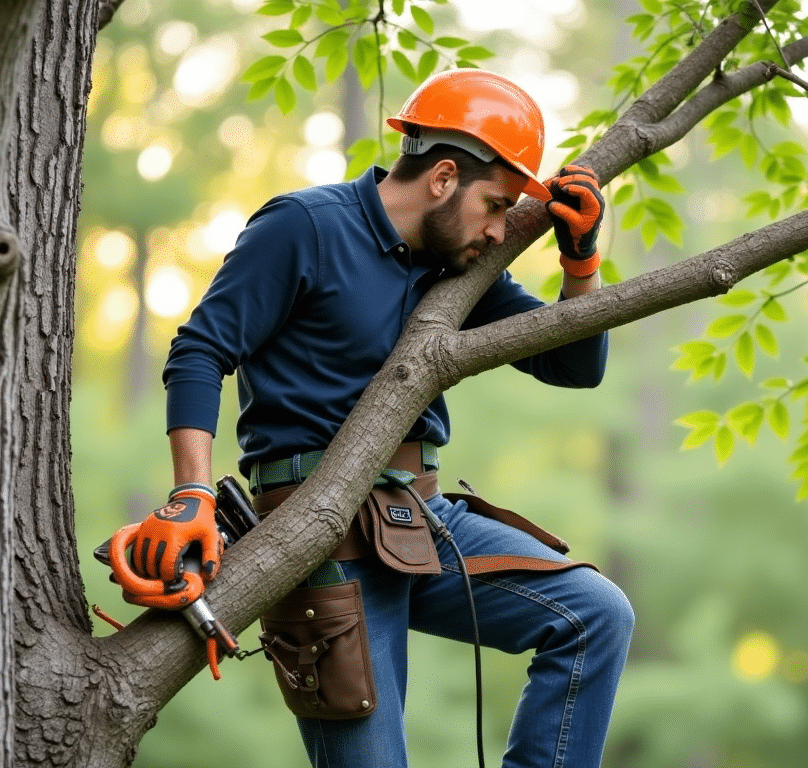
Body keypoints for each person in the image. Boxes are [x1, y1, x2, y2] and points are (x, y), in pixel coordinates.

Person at [116, 68, 635, 768]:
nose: (499, 229)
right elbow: (201, 351)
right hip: (318, 543)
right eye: (495, 204)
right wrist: (192, 496)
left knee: (595, 615)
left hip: (420, 523)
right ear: (444, 178)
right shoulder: (304, 226)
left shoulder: (460, 266)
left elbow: (576, 367)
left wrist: (581, 259)